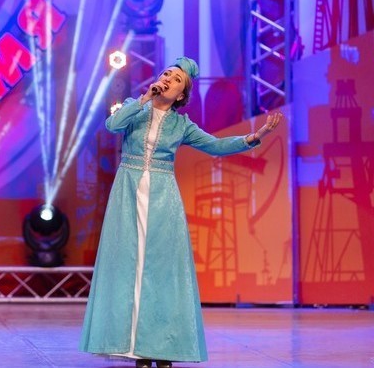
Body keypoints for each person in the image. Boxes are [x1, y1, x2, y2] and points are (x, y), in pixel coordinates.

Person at [79, 57, 283, 368]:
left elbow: (215, 146)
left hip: (163, 197)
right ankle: (135, 348)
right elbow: (112, 125)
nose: (168, 80)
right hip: (128, 191)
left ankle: (161, 347)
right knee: (130, 266)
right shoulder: (136, 107)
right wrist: (144, 99)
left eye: (176, 80)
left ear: (181, 95)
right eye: (166, 74)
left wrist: (255, 137)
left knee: (162, 272)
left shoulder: (181, 125)